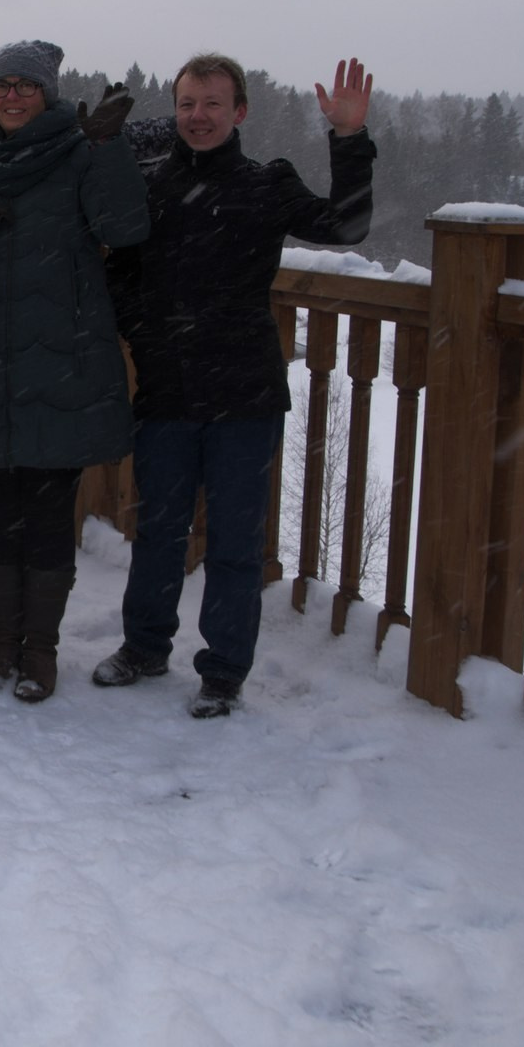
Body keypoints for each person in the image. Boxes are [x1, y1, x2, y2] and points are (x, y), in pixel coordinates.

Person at [94, 55, 376, 718]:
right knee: (158, 530)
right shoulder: (151, 188)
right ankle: (144, 647)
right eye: (188, 103)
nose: (199, 116)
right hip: (167, 390)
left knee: (234, 542)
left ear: (239, 112)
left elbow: (345, 225)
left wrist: (350, 140)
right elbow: (119, 278)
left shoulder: (266, 184)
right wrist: (149, 330)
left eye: (213, 104)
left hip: (244, 395)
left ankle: (223, 672)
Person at [0, 41, 145, 703]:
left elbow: (127, 226)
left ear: (48, 93)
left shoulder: (81, 154)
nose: (13, 96)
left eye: (26, 85)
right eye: (3, 85)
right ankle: (2, 644)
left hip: (61, 368)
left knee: (49, 516)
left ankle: (41, 650)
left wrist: (109, 149)